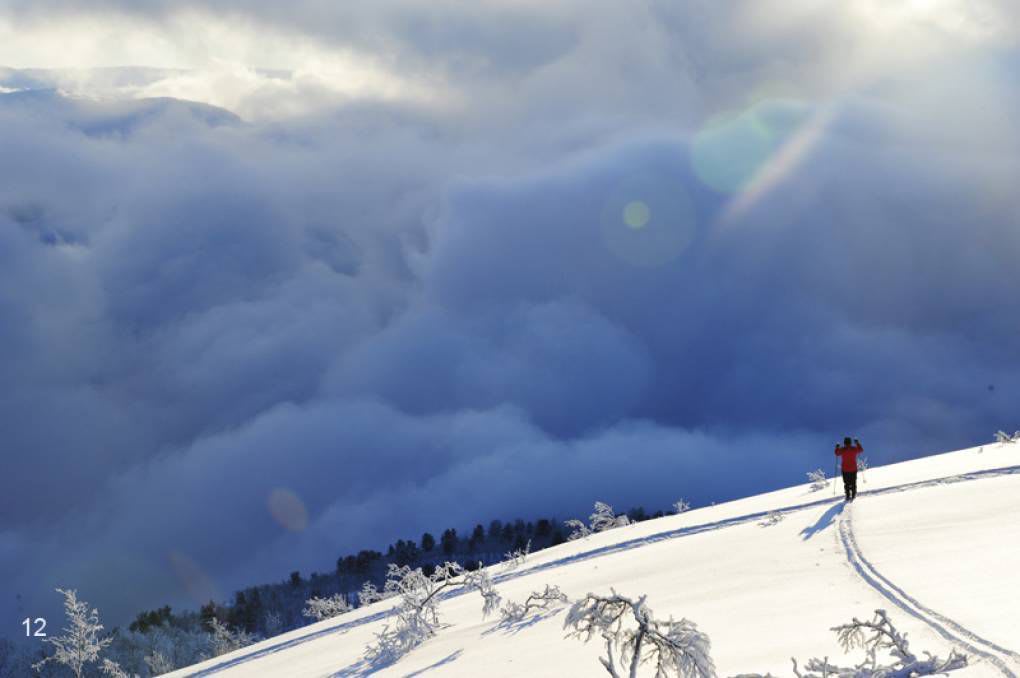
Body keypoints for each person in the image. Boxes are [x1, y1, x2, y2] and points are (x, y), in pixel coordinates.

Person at [835, 437, 863, 501]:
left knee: (846, 483)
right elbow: (861, 450)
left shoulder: (842, 450)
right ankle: (853, 494)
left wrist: (837, 447)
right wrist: (857, 443)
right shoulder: (854, 449)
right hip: (853, 469)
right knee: (853, 482)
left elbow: (837, 453)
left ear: (844, 443)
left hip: (845, 470)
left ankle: (847, 495)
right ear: (850, 442)